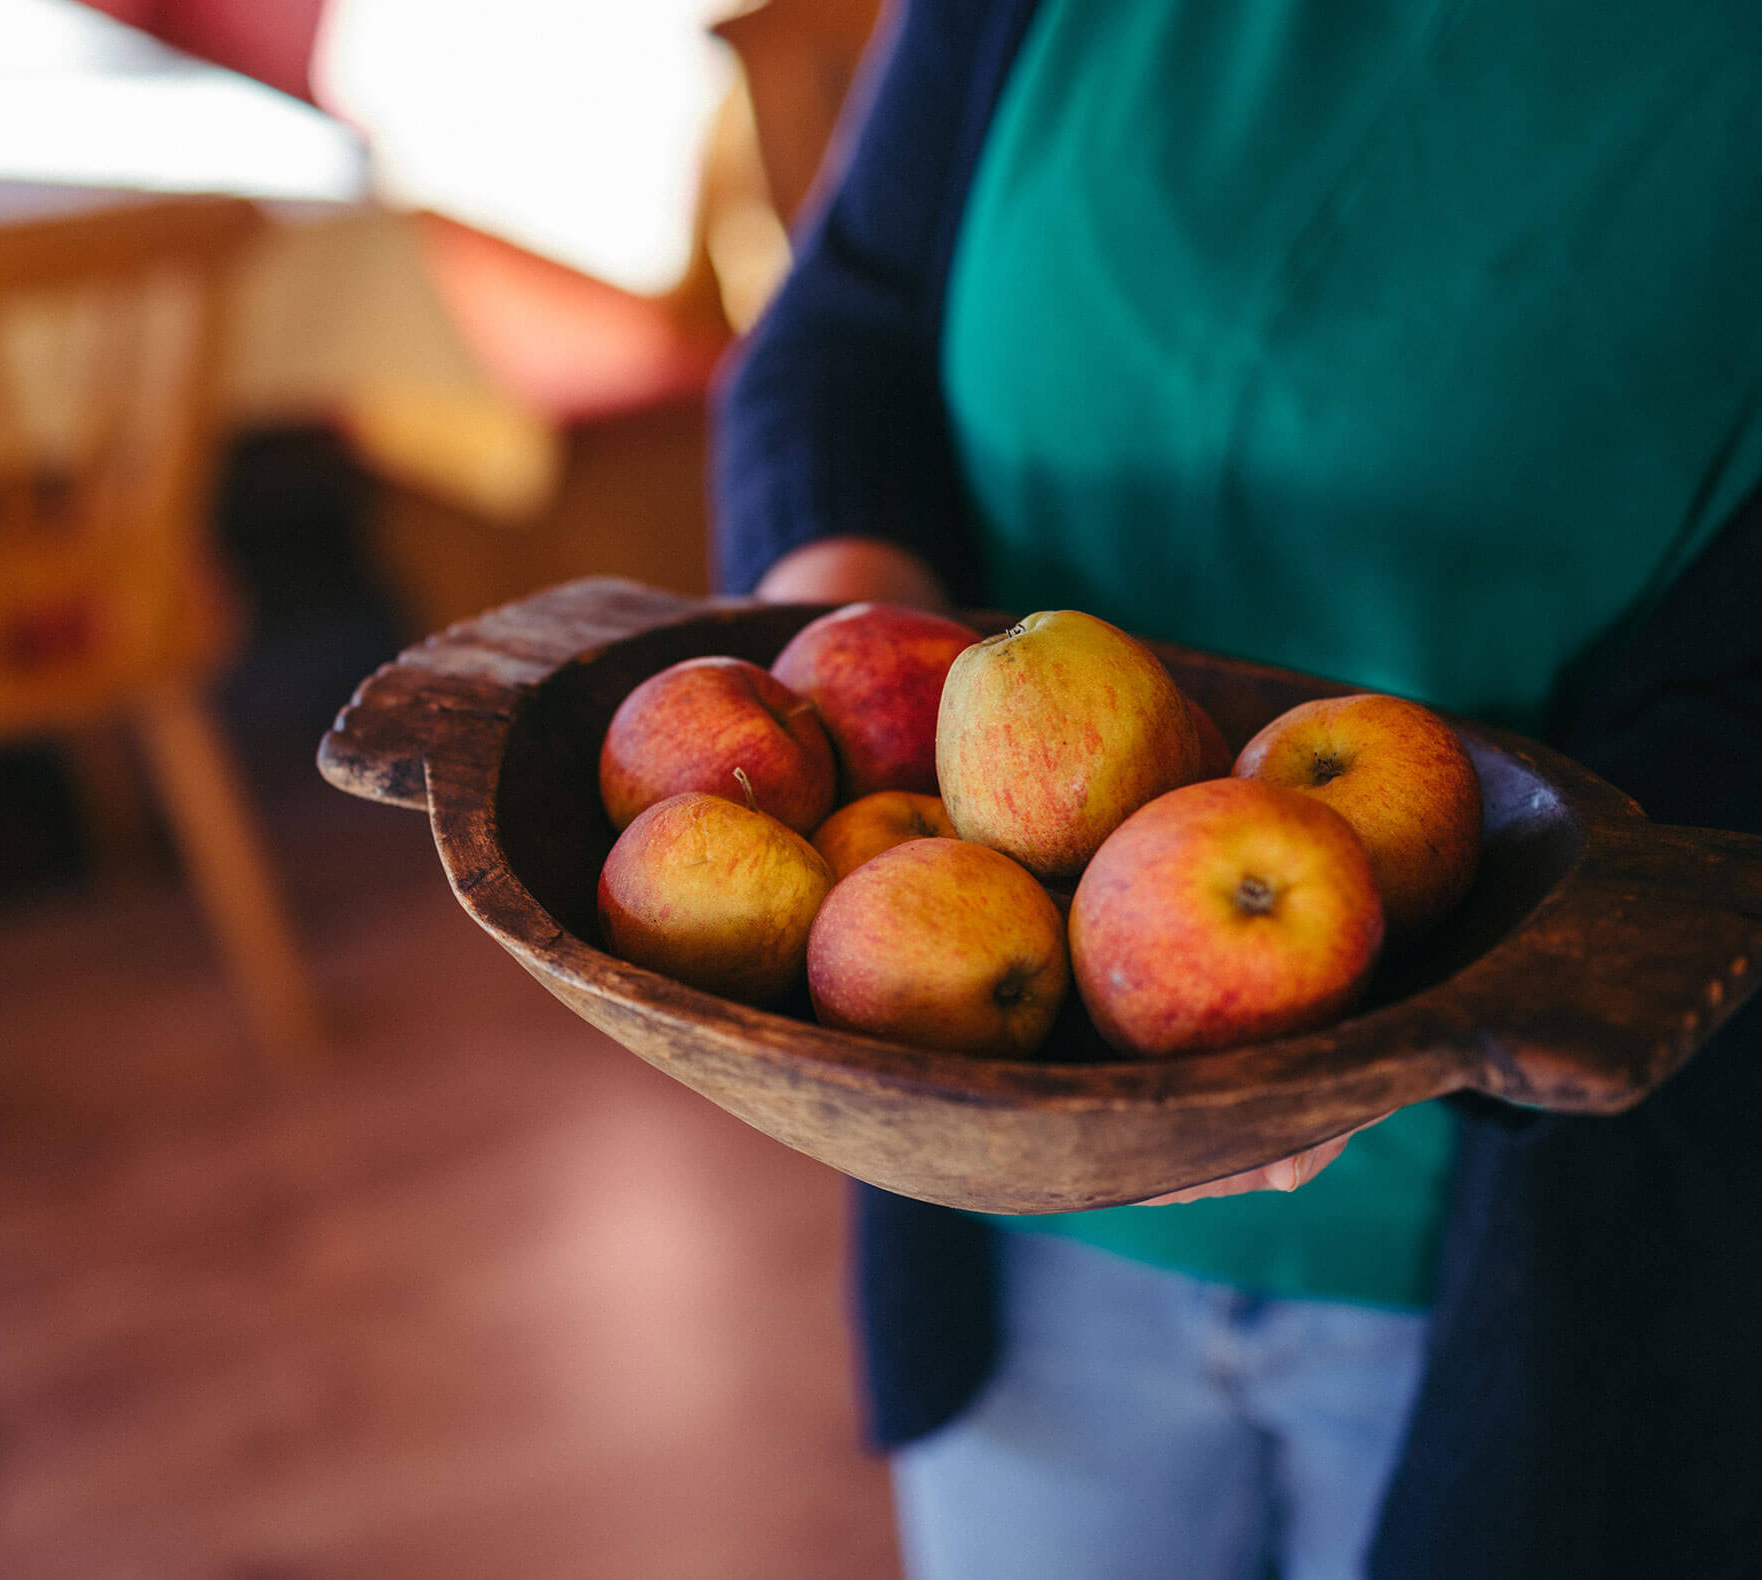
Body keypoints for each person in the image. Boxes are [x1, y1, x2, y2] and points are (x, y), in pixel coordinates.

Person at [711, 2, 1762, 1577]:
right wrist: (849, 666)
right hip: (1007, 1162)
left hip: (1529, 1234)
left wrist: (1408, 982)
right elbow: (848, 321)